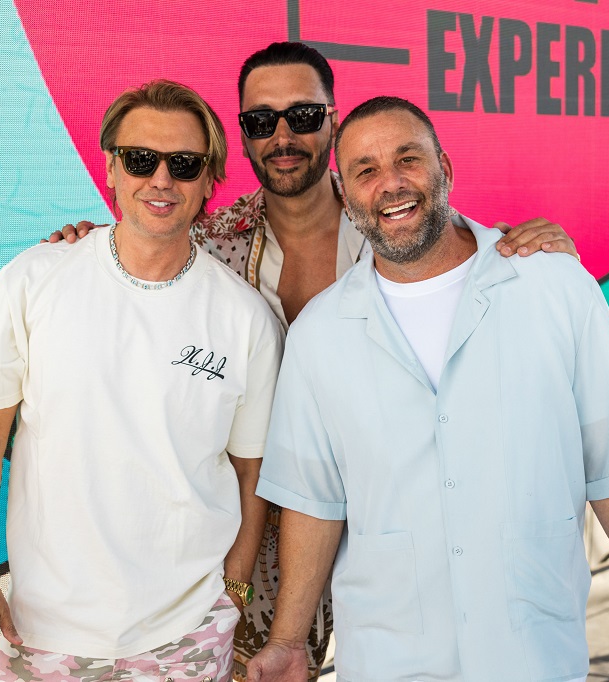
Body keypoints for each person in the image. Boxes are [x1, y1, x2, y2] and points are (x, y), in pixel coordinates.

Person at [48, 41, 578, 680]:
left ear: (333, 119)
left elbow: (460, 245)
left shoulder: (398, 225)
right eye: (260, 121)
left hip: (389, 537)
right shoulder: (207, 247)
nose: (282, 137)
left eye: (302, 116)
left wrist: (529, 245)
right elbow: (134, 259)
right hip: (247, 551)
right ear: (242, 133)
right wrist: (86, 241)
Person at [245, 96, 609, 681]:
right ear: (346, 193)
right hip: (389, 661)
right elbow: (312, 502)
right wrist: (288, 640)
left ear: (444, 168)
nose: (390, 183)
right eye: (366, 170)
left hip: (533, 657)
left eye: (408, 159)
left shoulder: (554, 286)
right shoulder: (320, 332)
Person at [0, 79, 282, 682]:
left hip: (188, 637)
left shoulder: (245, 317)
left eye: (184, 164)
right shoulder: (34, 278)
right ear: (111, 168)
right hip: (44, 631)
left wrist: (232, 592)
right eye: (140, 159)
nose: (161, 179)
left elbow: (250, 471)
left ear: (210, 178)